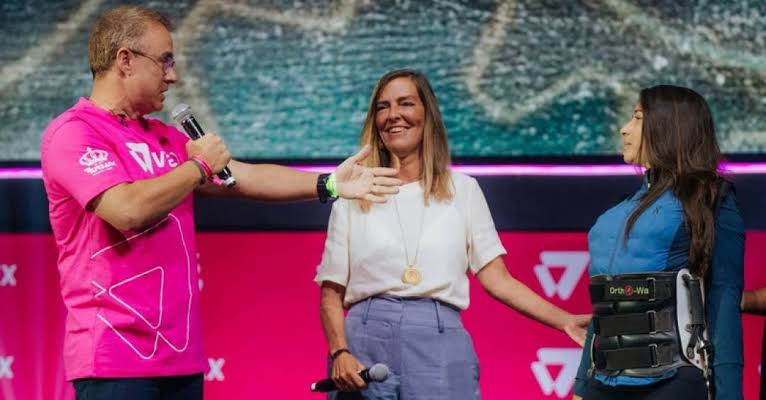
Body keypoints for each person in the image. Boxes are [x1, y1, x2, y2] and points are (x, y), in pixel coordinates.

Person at [39, 6, 401, 400]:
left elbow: (244, 177)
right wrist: (197, 166)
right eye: (165, 61)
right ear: (125, 60)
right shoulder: (75, 133)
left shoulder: (163, 136)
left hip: (180, 358)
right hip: (115, 359)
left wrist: (329, 184)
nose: (173, 76)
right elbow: (127, 210)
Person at [315, 69, 591, 400]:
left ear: (428, 115)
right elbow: (331, 291)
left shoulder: (463, 190)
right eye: (382, 107)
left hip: (439, 340)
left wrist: (564, 320)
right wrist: (339, 351)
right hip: (364, 340)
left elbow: (498, 279)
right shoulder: (353, 193)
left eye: (406, 103)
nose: (393, 115)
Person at [571, 85, 744, 400]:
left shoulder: (711, 199)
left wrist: (729, 395)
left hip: (672, 382)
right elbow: (607, 308)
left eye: (637, 118)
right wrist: (581, 387)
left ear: (668, 126)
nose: (624, 129)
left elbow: (724, 305)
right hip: (603, 383)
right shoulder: (618, 211)